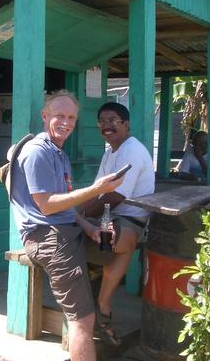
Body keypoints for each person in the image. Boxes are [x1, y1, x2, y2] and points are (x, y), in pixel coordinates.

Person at [9, 90, 125, 361]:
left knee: (119, 245)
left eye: (71, 117)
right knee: (82, 320)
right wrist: (95, 189)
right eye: (59, 115)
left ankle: (101, 305)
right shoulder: (38, 151)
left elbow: (67, 208)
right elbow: (47, 205)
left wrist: (89, 228)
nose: (66, 122)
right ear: (44, 115)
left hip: (66, 231)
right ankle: (94, 312)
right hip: (47, 237)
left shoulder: (58, 153)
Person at [79, 102, 155, 346]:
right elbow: (96, 191)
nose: (106, 126)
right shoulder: (110, 152)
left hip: (131, 220)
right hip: (110, 217)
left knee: (105, 239)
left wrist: (81, 216)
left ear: (126, 124)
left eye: (112, 120)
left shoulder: (131, 150)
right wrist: (79, 210)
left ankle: (99, 303)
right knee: (86, 233)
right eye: (102, 121)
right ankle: (98, 305)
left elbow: (114, 196)